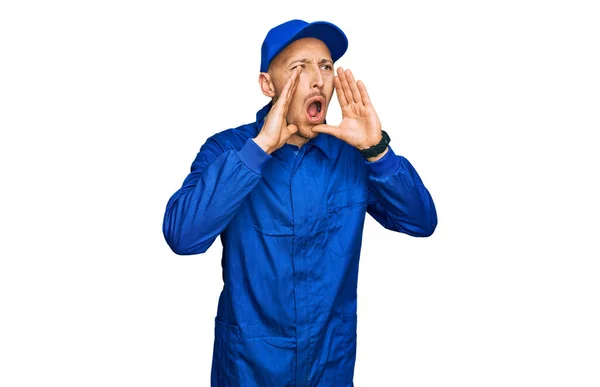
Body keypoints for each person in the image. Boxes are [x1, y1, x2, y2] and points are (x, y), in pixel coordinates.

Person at [162, 18, 437, 387]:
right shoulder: (229, 150)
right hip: (248, 368)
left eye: (325, 66)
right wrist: (257, 152)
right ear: (267, 84)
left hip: (329, 366)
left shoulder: (352, 155)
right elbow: (182, 236)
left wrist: (378, 152)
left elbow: (421, 222)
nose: (318, 79)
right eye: (298, 68)